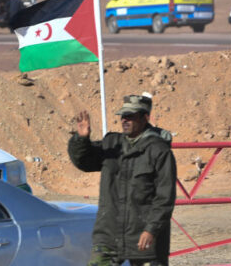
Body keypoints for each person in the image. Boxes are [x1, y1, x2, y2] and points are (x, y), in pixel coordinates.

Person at [68, 93, 177, 266]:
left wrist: (151, 230)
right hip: (109, 234)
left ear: (144, 118)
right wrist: (82, 139)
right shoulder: (112, 144)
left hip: (143, 237)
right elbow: (85, 161)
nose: (125, 120)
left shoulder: (159, 151)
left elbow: (165, 198)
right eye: (123, 116)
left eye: (131, 116)